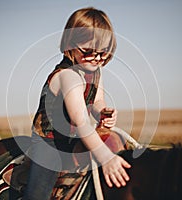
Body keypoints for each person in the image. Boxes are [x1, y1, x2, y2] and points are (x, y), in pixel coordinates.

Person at [23, 7, 131, 200]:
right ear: (70, 44)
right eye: (89, 51)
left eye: (104, 52)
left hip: (74, 139)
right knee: (39, 192)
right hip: (50, 142)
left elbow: (97, 100)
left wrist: (103, 113)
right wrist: (105, 157)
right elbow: (81, 121)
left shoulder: (96, 72)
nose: (97, 58)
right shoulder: (67, 77)